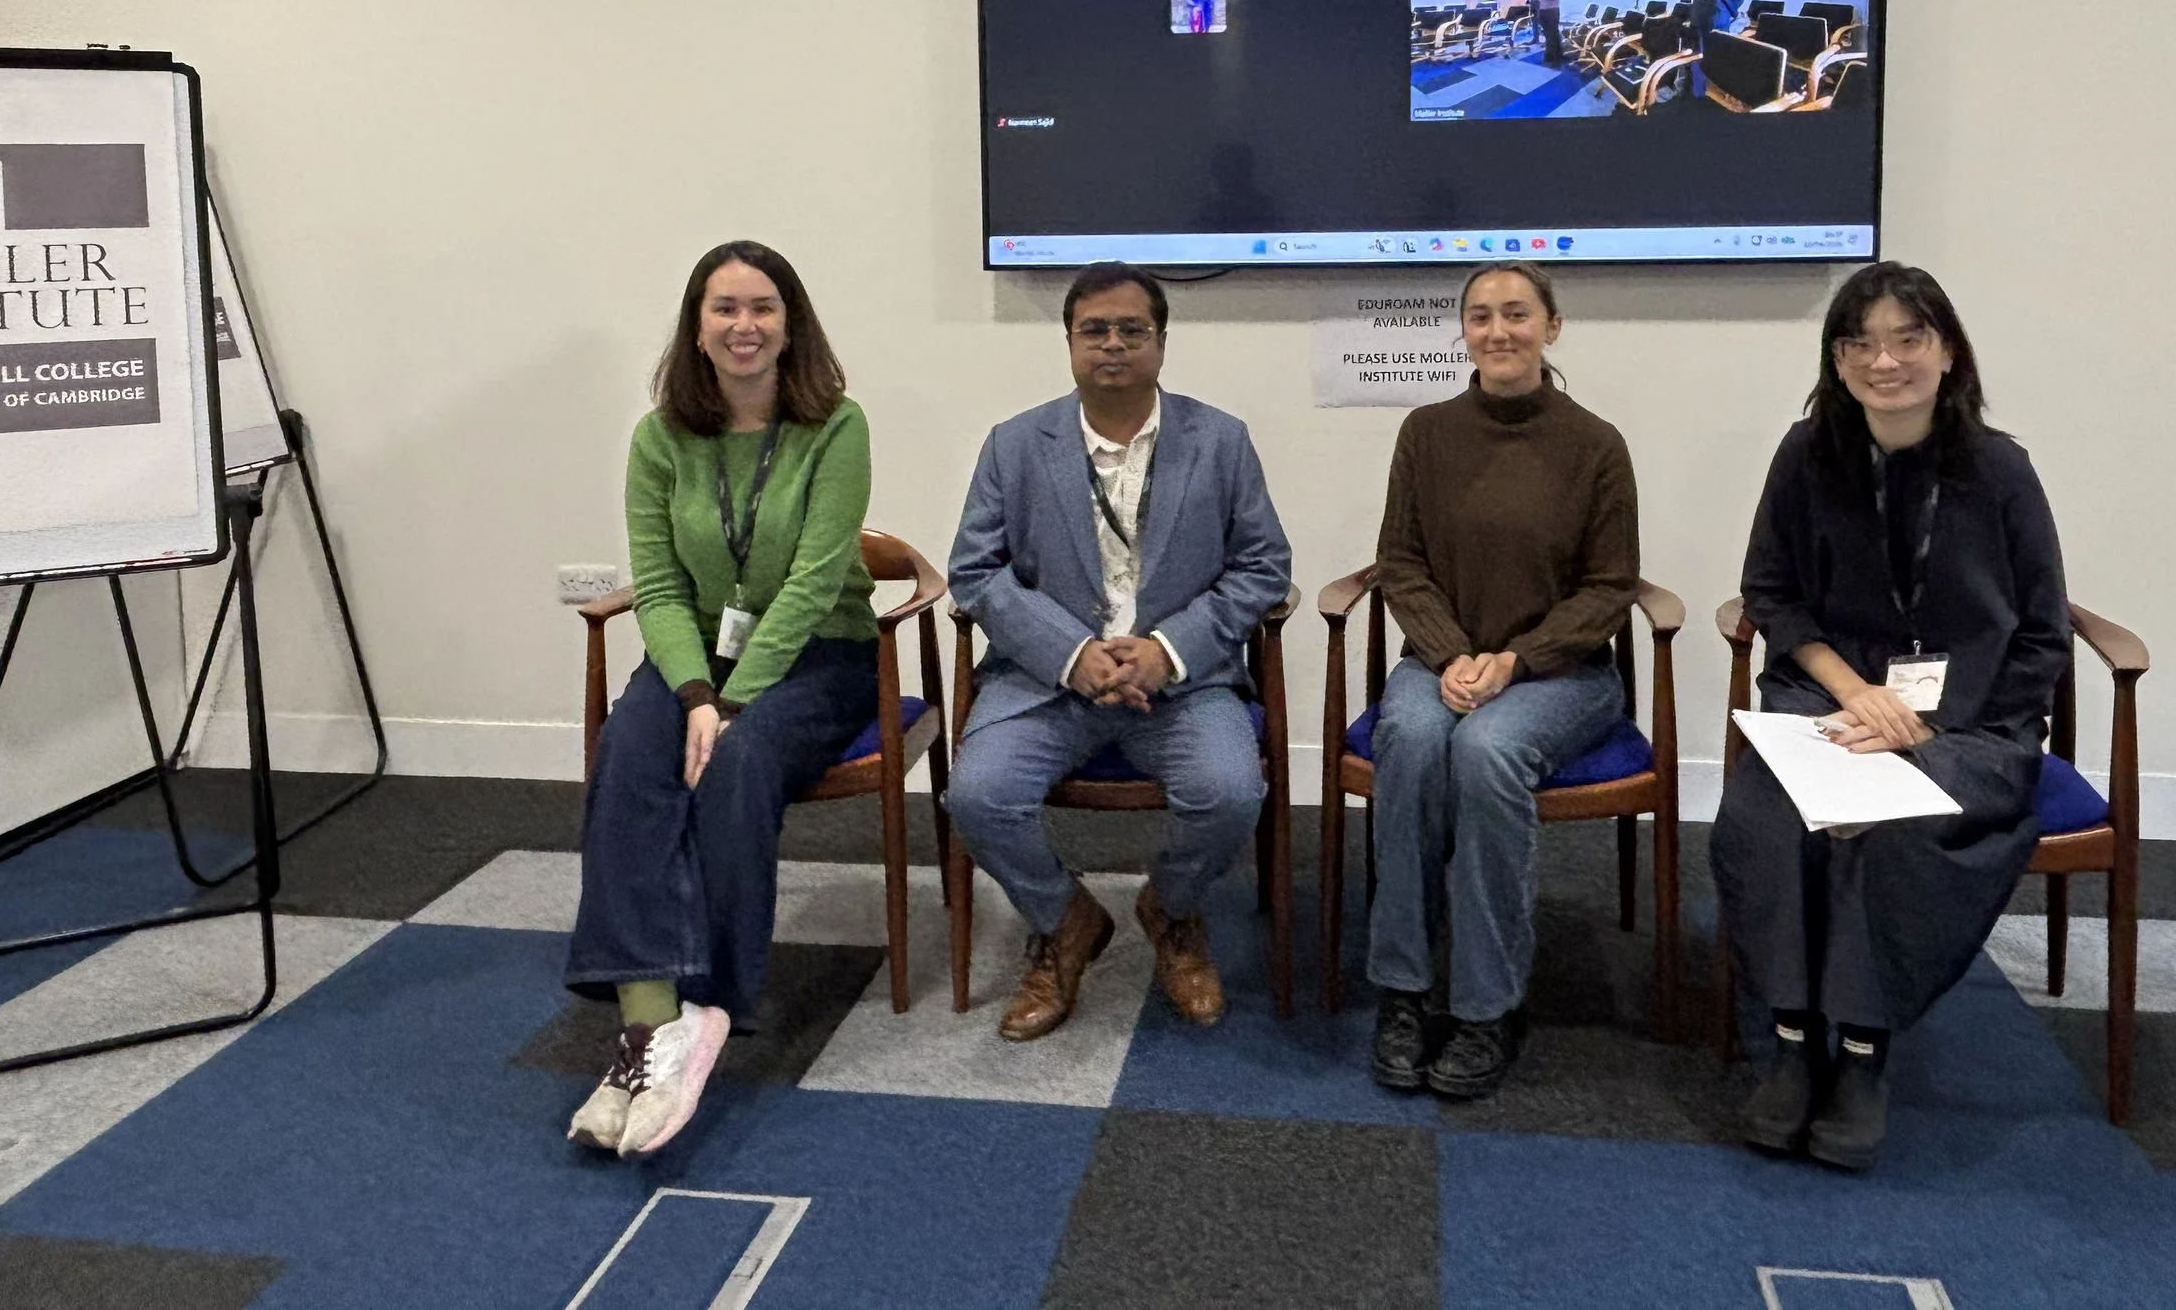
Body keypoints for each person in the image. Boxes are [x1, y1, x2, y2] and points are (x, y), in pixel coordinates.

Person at [1712, 261, 2068, 1172]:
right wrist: (1855, 693)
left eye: (1908, 338)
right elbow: (1772, 594)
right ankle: (1794, 1045)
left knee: (1886, 825)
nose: (1885, 360)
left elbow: (2039, 632)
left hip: (1971, 724)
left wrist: (1931, 725)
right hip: (1828, 699)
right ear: (1836, 360)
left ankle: (1864, 1053)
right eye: (1860, 342)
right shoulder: (1806, 454)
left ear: (1947, 352)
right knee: (1764, 815)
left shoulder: (2002, 470)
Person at [562, 241, 879, 1158]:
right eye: (724, 308)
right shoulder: (659, 438)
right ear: (696, 329)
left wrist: (731, 705)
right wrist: (697, 690)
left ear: (792, 324)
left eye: (763, 308)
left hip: (820, 654)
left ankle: (709, 1006)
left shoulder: (836, 425)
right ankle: (646, 1024)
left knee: (735, 763)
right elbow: (657, 589)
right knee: (629, 752)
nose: (744, 325)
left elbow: (817, 581)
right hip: (693, 656)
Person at [948, 262, 1291, 1039]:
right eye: (1093, 330)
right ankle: (1065, 918)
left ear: (1162, 342)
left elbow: (1264, 565)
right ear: (1068, 342)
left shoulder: (1220, 440)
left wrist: (1171, 648)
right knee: (978, 795)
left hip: (1183, 682)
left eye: (1131, 330)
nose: (1113, 345)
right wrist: (1072, 653)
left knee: (1232, 792)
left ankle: (1169, 908)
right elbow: (974, 570)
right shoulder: (1015, 444)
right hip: (1048, 680)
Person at [1365, 263, 1639, 1099]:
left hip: (1564, 673)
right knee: (1409, 736)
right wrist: (1452, 655)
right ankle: (1405, 990)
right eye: (1480, 317)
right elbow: (1401, 564)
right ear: (1463, 333)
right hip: (1442, 662)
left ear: (1552, 327)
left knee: (1486, 750)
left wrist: (1515, 661)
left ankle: (1488, 1006)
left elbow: (1610, 586)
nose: (1498, 331)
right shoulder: (1426, 432)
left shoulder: (1596, 444)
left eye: (1517, 314)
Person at [1528, 0, 1567, 66]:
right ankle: (1551, 55)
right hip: (1544, 10)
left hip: (1551, 11)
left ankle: (1555, 58)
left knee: (1552, 35)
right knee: (1548, 34)